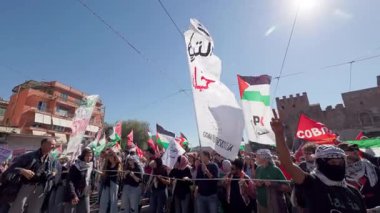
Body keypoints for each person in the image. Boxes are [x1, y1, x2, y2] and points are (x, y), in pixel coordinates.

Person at [270, 110, 367, 213]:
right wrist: (279, 134)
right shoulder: (312, 183)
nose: (337, 165)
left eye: (340, 163)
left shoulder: (354, 192)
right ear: (321, 163)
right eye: (333, 162)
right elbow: (288, 164)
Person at [4, 138, 57, 213]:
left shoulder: (52, 159)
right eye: (51, 144)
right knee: (17, 209)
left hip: (41, 188)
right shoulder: (29, 156)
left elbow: (54, 170)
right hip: (26, 186)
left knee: (34, 210)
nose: (53, 147)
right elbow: (10, 169)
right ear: (43, 144)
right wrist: (22, 171)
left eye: (55, 145)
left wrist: (53, 172)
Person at [338, 143, 380, 209]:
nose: (355, 151)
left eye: (356, 149)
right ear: (342, 153)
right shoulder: (336, 171)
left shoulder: (370, 166)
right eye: (351, 149)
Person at [255, 149, 290, 213]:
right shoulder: (258, 169)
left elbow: (287, 187)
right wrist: (257, 183)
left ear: (264, 158)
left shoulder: (275, 169)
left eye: (257, 156)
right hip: (261, 204)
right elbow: (256, 183)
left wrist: (272, 184)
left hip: (274, 206)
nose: (256, 158)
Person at [64, 148, 94, 213]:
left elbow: (90, 178)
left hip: (85, 193)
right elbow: (70, 181)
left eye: (90, 156)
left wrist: (92, 188)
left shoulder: (90, 166)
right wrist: (73, 194)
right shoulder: (75, 166)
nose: (89, 158)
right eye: (87, 156)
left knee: (86, 211)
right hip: (74, 193)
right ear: (83, 156)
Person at [99, 149, 122, 213]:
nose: (110, 158)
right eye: (109, 156)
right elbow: (103, 173)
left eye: (111, 156)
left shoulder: (117, 163)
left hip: (114, 183)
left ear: (114, 156)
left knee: (113, 200)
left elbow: (119, 160)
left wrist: (114, 152)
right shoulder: (107, 164)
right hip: (107, 183)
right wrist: (99, 172)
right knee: (104, 199)